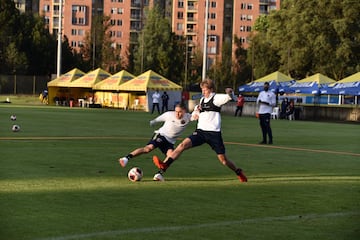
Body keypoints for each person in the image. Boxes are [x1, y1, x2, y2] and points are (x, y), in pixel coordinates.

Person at [152, 78, 248, 182]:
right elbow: (195, 113)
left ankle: (238, 172)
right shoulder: (202, 100)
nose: (203, 92)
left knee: (224, 160)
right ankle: (164, 166)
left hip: (213, 134)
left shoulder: (216, 98)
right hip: (201, 132)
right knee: (182, 145)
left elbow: (229, 97)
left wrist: (230, 93)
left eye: (205, 90)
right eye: (202, 89)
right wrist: (195, 114)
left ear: (211, 89)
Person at [118, 103, 194, 181]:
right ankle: (125, 158)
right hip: (161, 135)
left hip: (170, 142)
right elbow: (159, 118)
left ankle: (159, 174)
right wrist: (154, 121)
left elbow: (195, 116)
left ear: (184, 111)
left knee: (171, 156)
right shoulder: (169, 115)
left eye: (180, 112)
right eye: (176, 111)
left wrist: (198, 111)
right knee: (148, 149)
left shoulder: (188, 117)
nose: (177, 114)